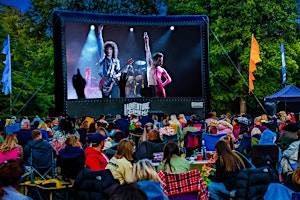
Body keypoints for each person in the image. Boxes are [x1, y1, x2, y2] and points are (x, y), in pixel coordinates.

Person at [143, 32, 171, 98]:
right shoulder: (150, 65)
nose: (161, 63)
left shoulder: (162, 69)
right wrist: (146, 41)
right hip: (151, 88)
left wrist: (162, 85)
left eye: (162, 61)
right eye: (160, 61)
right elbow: (147, 51)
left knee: (162, 104)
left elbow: (169, 79)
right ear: (155, 60)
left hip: (160, 89)